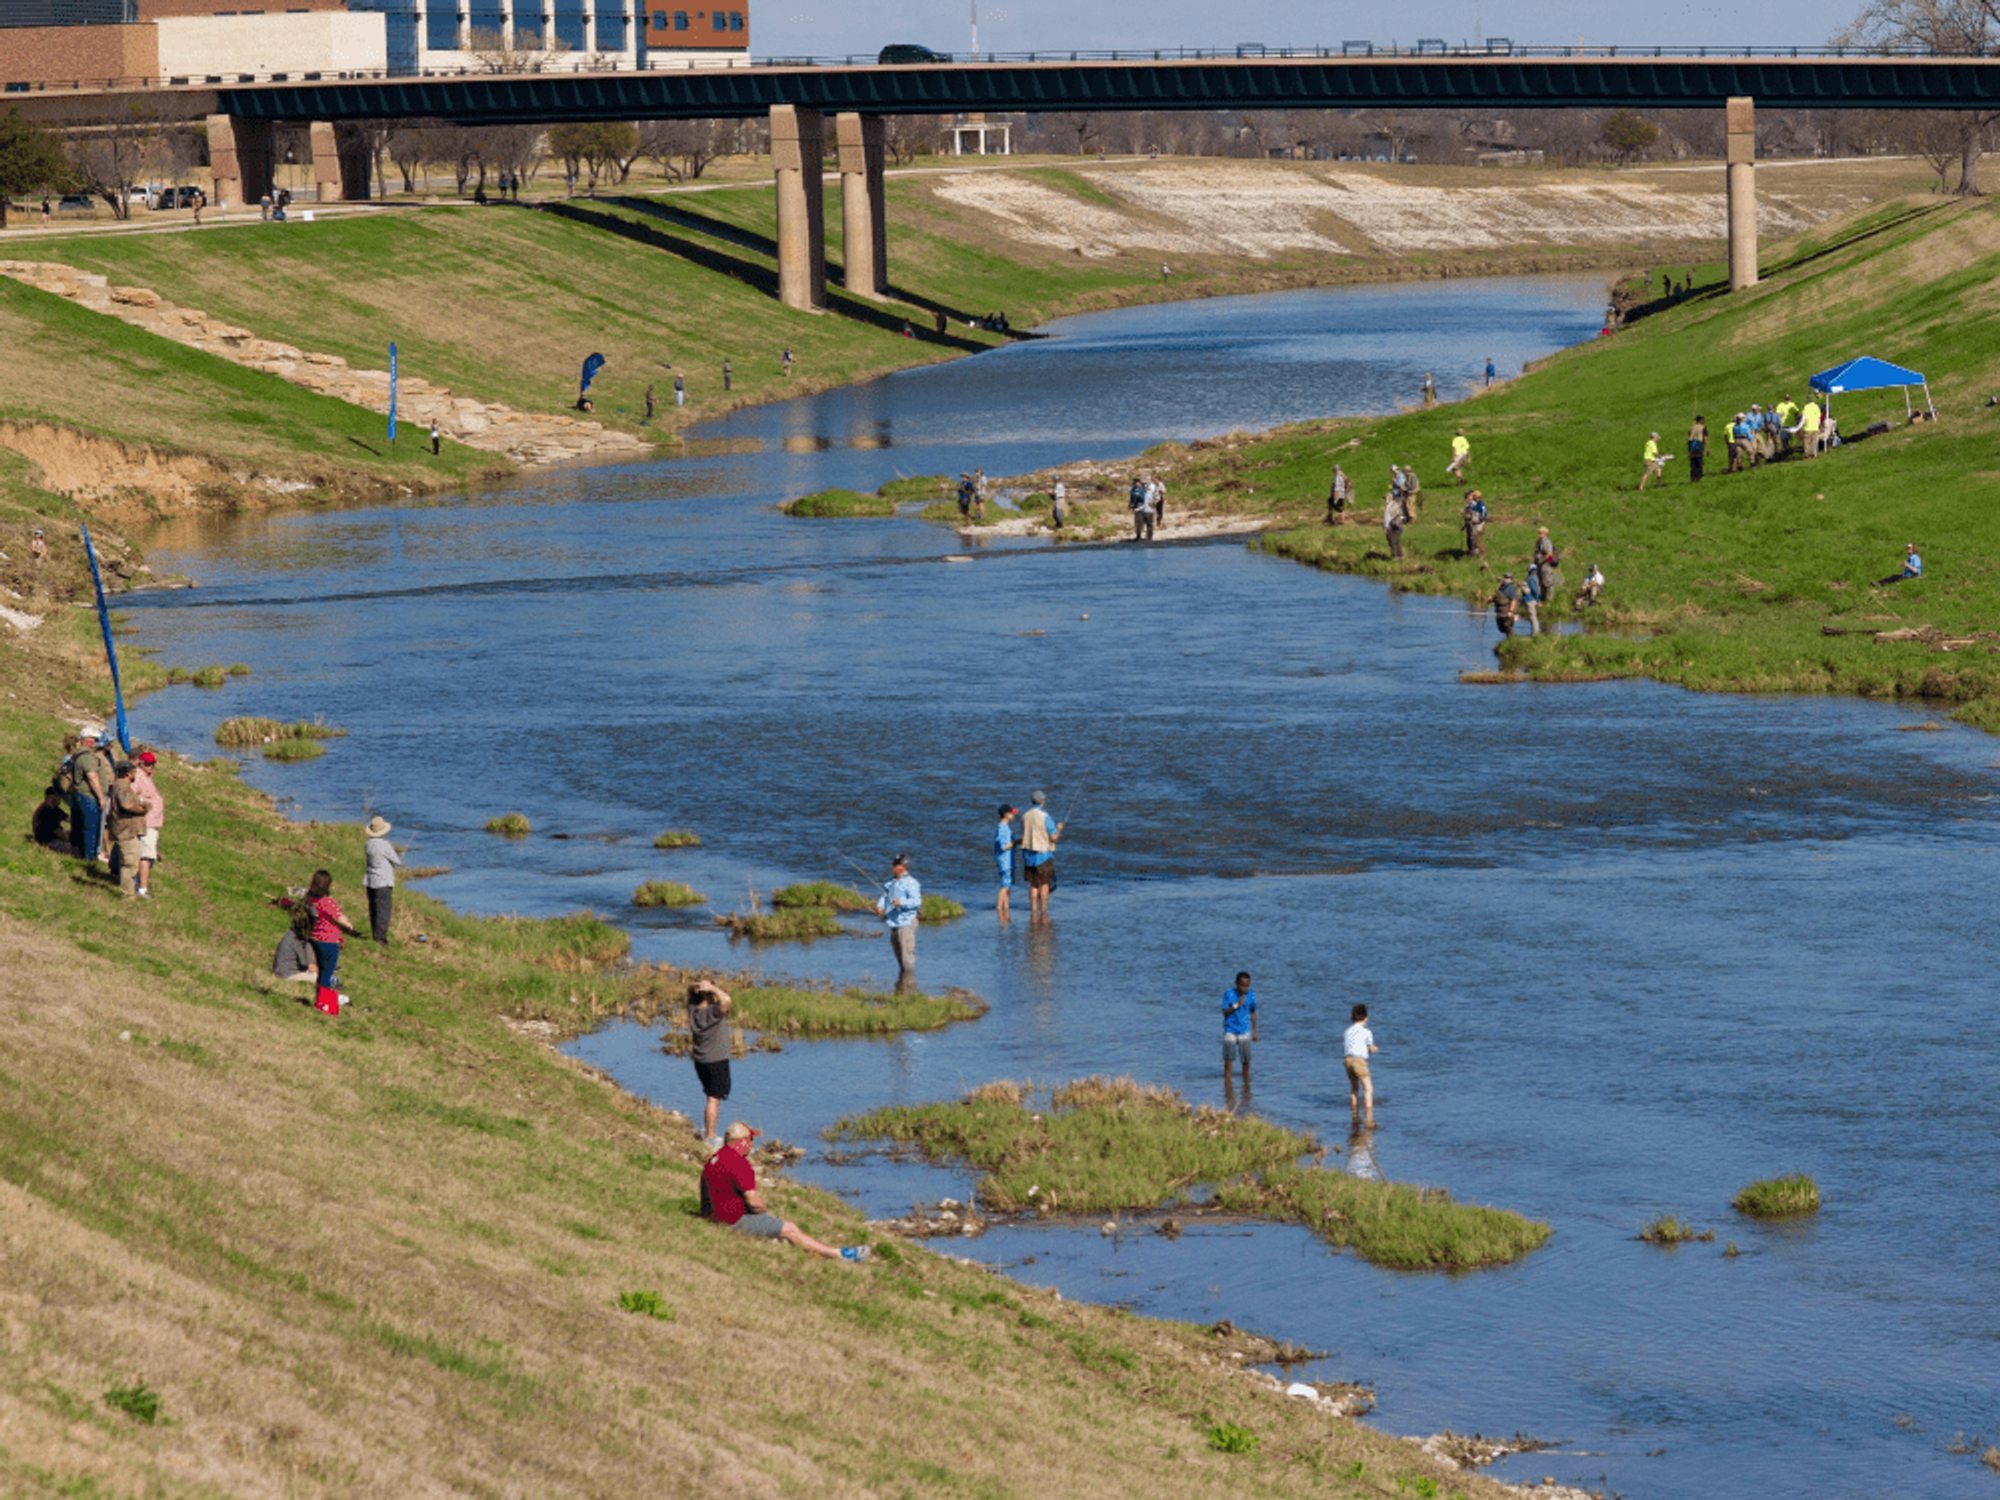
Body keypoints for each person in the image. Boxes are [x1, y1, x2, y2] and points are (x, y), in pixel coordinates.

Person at [701, 1122, 868, 1261]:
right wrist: (765, 1216)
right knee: (789, 1227)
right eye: (750, 1139)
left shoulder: (715, 1158)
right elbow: (754, 1202)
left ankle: (810, 1251)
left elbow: (705, 1187)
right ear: (742, 1141)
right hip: (731, 1221)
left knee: (780, 1228)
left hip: (712, 1216)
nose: (752, 1144)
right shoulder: (740, 1164)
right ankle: (837, 1254)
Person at [686, 979, 733, 1149]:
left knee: (709, 1097)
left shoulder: (692, 1010)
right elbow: (727, 1000)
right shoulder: (712, 1012)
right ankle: (711, 1136)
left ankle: (709, 1131)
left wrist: (699, 986)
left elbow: (690, 992)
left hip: (700, 1060)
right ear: (711, 997)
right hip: (716, 1060)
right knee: (713, 1099)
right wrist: (713, 987)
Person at [303, 868, 359, 994]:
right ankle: (324, 1002)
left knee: (321, 972)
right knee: (327, 974)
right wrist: (349, 925)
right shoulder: (327, 903)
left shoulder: (308, 898)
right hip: (328, 942)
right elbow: (341, 918)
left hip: (314, 938)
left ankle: (320, 998)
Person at [105, 760, 148, 898]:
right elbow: (126, 805)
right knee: (129, 863)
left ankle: (129, 891)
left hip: (128, 829)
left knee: (132, 862)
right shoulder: (121, 786)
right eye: (134, 772)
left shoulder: (122, 785)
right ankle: (127, 893)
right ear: (129, 774)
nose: (135, 774)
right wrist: (143, 809)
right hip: (125, 830)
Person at [875, 854, 921, 979]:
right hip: (894, 923)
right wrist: (880, 906)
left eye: (896, 865)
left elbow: (916, 902)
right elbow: (885, 896)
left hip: (906, 923)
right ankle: (902, 985)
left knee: (907, 957)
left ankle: (909, 984)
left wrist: (901, 902)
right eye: (894, 865)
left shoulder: (912, 883)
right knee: (899, 956)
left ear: (902, 867)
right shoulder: (890, 883)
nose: (892, 867)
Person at [1019, 790, 1062, 920]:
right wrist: (1059, 828)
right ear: (1042, 801)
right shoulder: (1045, 816)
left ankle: (1033, 910)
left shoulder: (1025, 815)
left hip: (1028, 855)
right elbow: (1053, 837)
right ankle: (1043, 910)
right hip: (1043, 854)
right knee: (1044, 884)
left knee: (1033, 884)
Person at [69, 727, 109, 863]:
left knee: (81, 826)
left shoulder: (77, 755)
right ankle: (89, 859)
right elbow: (92, 777)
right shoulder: (87, 757)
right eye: (93, 739)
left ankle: (80, 854)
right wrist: (101, 798)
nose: (95, 742)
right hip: (88, 797)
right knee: (91, 829)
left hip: (80, 795)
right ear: (86, 740)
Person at [131, 749, 163, 898]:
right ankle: (142, 888)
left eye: (153, 764)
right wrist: (143, 802)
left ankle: (137, 882)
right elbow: (132, 795)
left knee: (148, 855)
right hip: (146, 823)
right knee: (145, 856)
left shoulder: (145, 776)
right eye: (149, 764)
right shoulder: (138, 777)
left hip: (151, 823)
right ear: (142, 764)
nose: (152, 767)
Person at [364, 814, 401, 944]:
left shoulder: (368, 844)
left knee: (373, 908)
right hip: (383, 882)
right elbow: (397, 861)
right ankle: (381, 939)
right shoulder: (384, 844)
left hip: (370, 880)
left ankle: (375, 935)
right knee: (384, 911)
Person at [1344, 1003, 1379, 1124]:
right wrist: (1374, 1049)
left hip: (1347, 1060)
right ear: (1365, 1017)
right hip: (1359, 1061)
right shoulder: (1366, 1032)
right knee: (1368, 1088)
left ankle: (1354, 1114)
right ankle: (1368, 1117)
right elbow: (1370, 1047)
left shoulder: (1347, 1031)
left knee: (1354, 1088)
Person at [1221, 970, 1257, 1087]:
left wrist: (1255, 1030)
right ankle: (1227, 1081)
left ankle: (1246, 1082)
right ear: (1236, 983)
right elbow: (1224, 1012)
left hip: (1244, 1030)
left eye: (1247, 985)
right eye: (1242, 985)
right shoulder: (1229, 994)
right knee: (1229, 1057)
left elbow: (1252, 1012)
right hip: (1230, 1029)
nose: (1244, 988)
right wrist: (1236, 1005)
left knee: (1246, 1059)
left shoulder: (1251, 995)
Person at [992, 804, 1018, 921]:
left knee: (1007, 885)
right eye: (1012, 813)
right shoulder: (1002, 828)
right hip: (1004, 861)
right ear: (1006, 815)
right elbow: (1003, 847)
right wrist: (1016, 842)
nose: (1013, 815)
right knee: (1004, 886)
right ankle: (999, 909)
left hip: (1008, 861)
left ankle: (1006, 908)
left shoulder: (1005, 827)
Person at [32, 784, 67, 851]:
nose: (60, 800)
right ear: (51, 797)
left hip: (56, 837)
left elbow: (68, 818)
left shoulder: (55, 809)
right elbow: (58, 833)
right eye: (58, 797)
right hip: (48, 841)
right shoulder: (46, 812)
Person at [1533, 526, 1560, 606]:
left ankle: (1550, 600)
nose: (1538, 534)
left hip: (1545, 565)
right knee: (1541, 583)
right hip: (1540, 565)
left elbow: (1550, 554)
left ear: (1544, 534)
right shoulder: (1539, 542)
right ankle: (1543, 599)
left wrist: (1545, 562)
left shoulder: (1546, 542)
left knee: (1547, 583)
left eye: (1540, 533)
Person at [1461, 489, 1487, 562]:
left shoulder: (1480, 504)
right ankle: (1472, 553)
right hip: (1472, 524)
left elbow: (1483, 513)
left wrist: (1479, 520)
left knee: (1478, 539)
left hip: (1479, 525)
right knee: (1471, 538)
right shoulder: (1472, 504)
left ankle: (1481, 555)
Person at [1491, 573, 1520, 637]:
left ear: (1511, 579)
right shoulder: (1501, 587)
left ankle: (1511, 640)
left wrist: (1511, 611)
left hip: (1507, 611)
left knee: (1508, 627)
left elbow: (1513, 600)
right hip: (1499, 611)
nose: (1506, 579)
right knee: (1501, 628)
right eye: (1505, 577)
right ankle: (1509, 640)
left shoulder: (1511, 588)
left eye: (1508, 577)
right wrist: (1491, 600)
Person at [1382, 484, 1406, 561]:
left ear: (1389, 498)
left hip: (1393, 525)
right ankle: (1398, 555)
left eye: (1386, 498)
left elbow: (1394, 514)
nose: (1385, 499)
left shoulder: (1393, 505)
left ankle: (1397, 556)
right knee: (1391, 541)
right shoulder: (1389, 505)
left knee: (1394, 541)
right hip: (1391, 525)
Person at [1128, 476, 1154, 542]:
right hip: (1138, 509)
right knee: (1138, 523)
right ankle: (1138, 536)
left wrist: (1138, 496)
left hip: (1147, 508)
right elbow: (1131, 498)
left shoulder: (1144, 489)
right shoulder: (1133, 489)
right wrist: (1131, 505)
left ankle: (1149, 536)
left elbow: (1145, 498)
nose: (1135, 484)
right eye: (1134, 483)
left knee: (1148, 522)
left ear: (1139, 483)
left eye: (1136, 483)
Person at [1687, 415, 1707, 482]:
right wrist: (1707, 447)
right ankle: (1699, 476)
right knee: (1699, 461)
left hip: (1691, 445)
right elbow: (1705, 438)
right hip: (1699, 444)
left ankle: (1693, 476)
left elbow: (1689, 436)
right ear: (1701, 420)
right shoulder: (1703, 428)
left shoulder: (1692, 427)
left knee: (1693, 462)